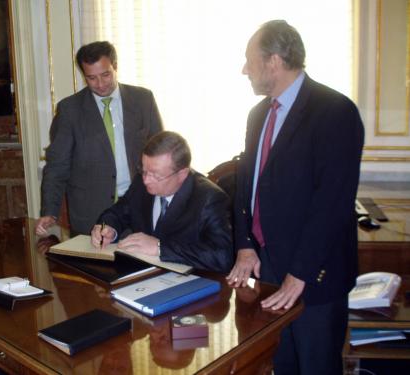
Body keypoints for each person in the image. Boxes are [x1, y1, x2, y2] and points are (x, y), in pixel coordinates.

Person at [227, 20, 364, 375]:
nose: (245, 69)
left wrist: (299, 274)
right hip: (269, 269)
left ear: (273, 61)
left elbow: (332, 204)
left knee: (316, 367)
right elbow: (247, 183)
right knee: (281, 364)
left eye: (250, 60)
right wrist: (244, 244)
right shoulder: (258, 114)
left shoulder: (335, 111)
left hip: (313, 276)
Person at [36, 41, 163, 237]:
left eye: (106, 75)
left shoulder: (143, 99)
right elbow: (57, 166)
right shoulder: (70, 110)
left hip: (140, 205)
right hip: (91, 214)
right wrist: (50, 212)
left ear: (115, 67)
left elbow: (161, 152)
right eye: (92, 78)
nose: (101, 84)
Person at [91, 131, 233, 273]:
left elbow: (222, 256)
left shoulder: (209, 198)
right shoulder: (141, 183)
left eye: (155, 175)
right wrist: (108, 228)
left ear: (182, 174)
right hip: (141, 276)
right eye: (144, 170)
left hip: (188, 282)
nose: (146, 180)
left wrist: (160, 248)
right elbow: (118, 212)